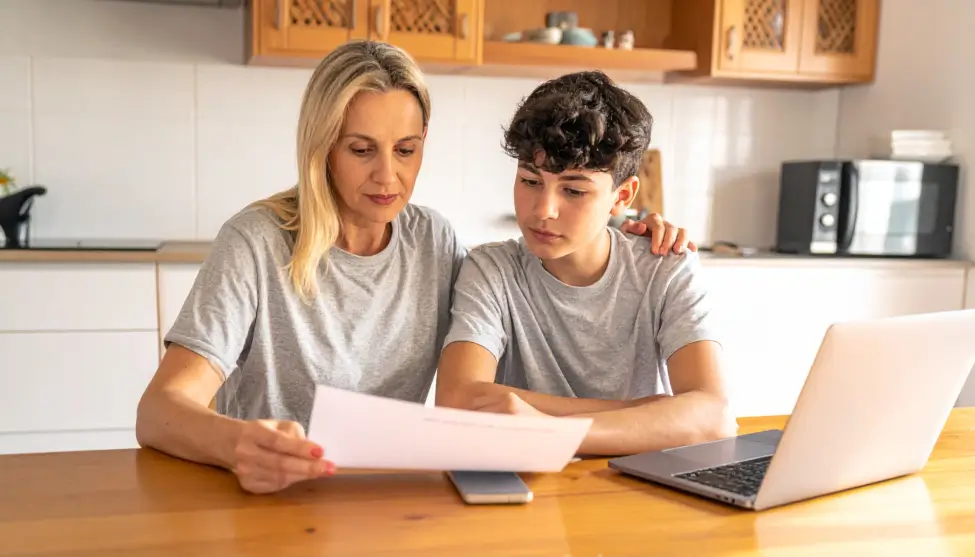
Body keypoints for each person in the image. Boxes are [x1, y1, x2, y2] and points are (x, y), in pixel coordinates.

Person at [135, 40, 695, 495]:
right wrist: (236, 445)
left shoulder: (434, 241)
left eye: (405, 150)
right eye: (361, 150)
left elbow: (525, 301)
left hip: (386, 496)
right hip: (274, 496)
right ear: (321, 147)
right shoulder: (256, 241)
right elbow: (160, 412)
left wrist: (628, 230)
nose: (387, 177)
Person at [435, 71, 737, 456]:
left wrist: (548, 430)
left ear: (621, 196)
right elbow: (459, 402)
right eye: (530, 181)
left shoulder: (666, 267)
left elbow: (715, 417)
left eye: (574, 191)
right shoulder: (491, 269)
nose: (543, 210)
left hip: (637, 492)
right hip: (526, 487)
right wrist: (648, 413)